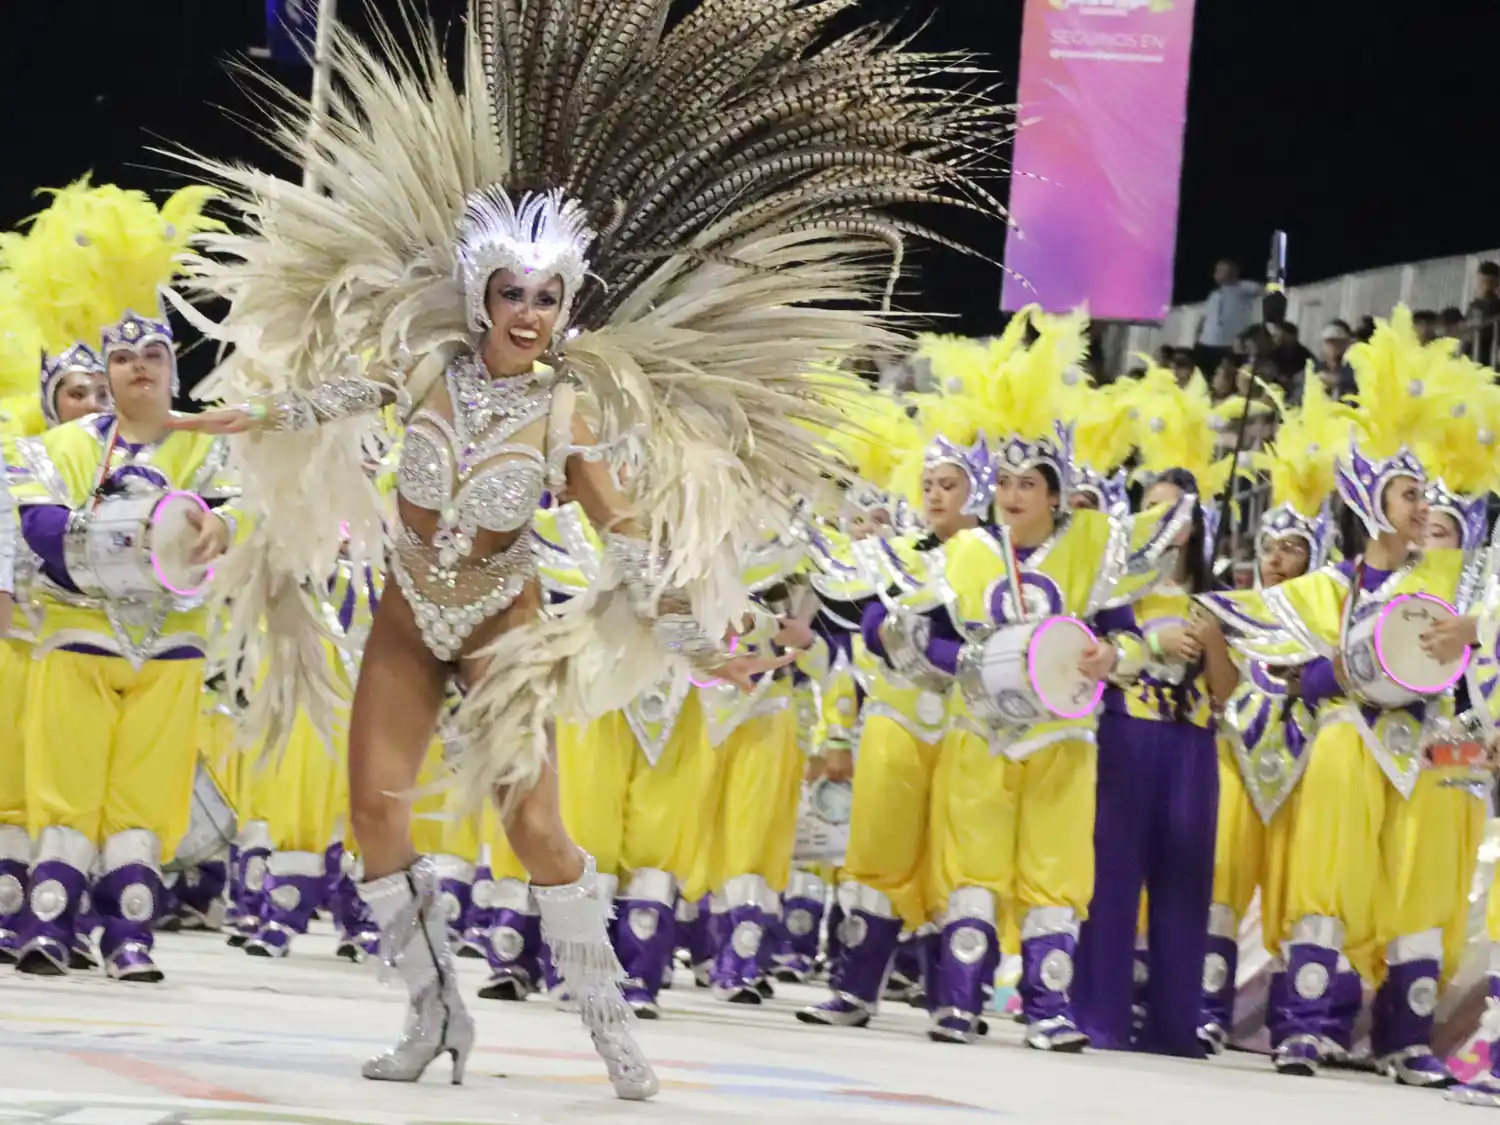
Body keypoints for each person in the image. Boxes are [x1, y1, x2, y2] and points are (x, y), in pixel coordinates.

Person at [165, 0, 1007, 1100]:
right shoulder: (422, 375)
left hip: (504, 621)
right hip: (410, 610)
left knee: (539, 828)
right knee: (373, 811)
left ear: (568, 306)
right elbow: (307, 402)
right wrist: (199, 420)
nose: (528, 311)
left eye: (548, 296)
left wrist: (701, 634)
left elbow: (624, 535)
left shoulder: (566, 414)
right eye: (512, 292)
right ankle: (435, 1015)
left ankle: (611, 1025)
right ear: (480, 295)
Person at [1195, 306, 1486, 1079]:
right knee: (1325, 887)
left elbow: (1473, 658)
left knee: (1418, 900)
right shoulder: (1324, 587)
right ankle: (1304, 1025)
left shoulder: (1454, 590)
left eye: (1425, 493)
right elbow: (1272, 662)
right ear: (1366, 501)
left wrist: (1471, 638)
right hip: (1342, 744)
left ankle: (1405, 1039)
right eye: (1405, 492)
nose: (1422, 505)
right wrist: (1334, 673)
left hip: (1423, 757)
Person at [5, 182, 239, 983]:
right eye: (122, 357)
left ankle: (129, 932)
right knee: (68, 792)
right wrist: (119, 546)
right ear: (105, 369)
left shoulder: (211, 448)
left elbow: (252, 518)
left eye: (153, 356)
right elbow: (37, 528)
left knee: (144, 799)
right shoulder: (62, 449)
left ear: (176, 366)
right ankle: (48, 921)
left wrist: (224, 526)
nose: (136, 369)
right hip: (78, 637)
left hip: (171, 649)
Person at [1071, 368, 1233, 1060]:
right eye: (1153, 507)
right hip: (1126, 735)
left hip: (1193, 747)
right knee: (1112, 879)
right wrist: (1151, 643)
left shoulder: (1219, 594)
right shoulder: (1118, 588)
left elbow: (1227, 691)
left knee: (1185, 882)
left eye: (1177, 509)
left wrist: (1217, 636)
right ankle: (1098, 1012)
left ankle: (1174, 1020)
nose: (1165, 521)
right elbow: (1092, 655)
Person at [1197, 260, 1262, 374]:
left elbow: (1263, 290)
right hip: (1206, 343)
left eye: (1221, 270)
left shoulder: (1242, 287)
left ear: (1234, 272)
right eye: (1217, 270)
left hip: (1229, 345)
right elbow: (1205, 318)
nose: (1217, 273)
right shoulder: (1214, 294)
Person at [1466, 261, 1500, 365]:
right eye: (1482, 282)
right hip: (1473, 359)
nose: (1485, 287)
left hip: (1493, 361)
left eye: (1489, 283)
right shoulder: (1473, 306)